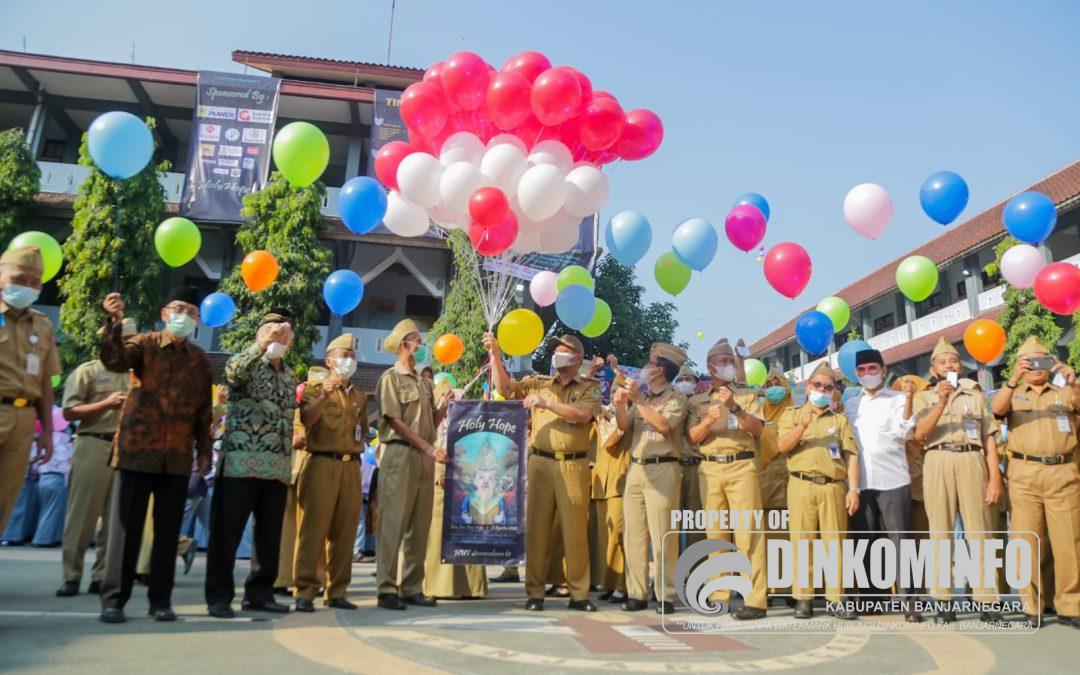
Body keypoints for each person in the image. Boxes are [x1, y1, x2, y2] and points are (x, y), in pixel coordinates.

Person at [97, 288, 213, 623]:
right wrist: (115, 324)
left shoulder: (199, 360)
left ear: (197, 321)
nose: (184, 316)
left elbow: (203, 411)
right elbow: (114, 359)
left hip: (176, 457)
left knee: (166, 532)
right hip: (136, 451)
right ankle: (114, 599)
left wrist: (204, 451)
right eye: (178, 309)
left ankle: (160, 600)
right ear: (164, 314)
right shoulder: (144, 345)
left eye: (191, 312)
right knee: (126, 529)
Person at [487, 332, 600, 613]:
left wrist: (548, 404)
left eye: (563, 350)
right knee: (536, 530)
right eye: (556, 350)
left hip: (573, 464)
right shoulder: (539, 382)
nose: (557, 354)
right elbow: (504, 387)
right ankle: (534, 593)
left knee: (574, 531)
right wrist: (495, 355)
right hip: (539, 462)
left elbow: (583, 415)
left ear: (577, 358)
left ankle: (579, 593)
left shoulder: (589, 387)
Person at [204, 310, 298, 618]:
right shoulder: (244, 363)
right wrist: (261, 345)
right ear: (259, 335)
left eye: (284, 334)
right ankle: (219, 596)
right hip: (240, 464)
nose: (278, 338)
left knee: (268, 537)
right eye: (271, 332)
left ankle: (260, 593)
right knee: (226, 533)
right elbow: (232, 374)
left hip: (276, 467)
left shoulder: (289, 374)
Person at [990, 336, 1080, 628]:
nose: (1037, 366)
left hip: (1063, 473)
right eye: (1030, 361)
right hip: (1024, 474)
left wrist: (1073, 381)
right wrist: (1014, 378)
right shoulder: (1013, 392)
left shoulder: (1065, 392)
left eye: (1043, 359)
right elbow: (997, 410)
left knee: (1069, 543)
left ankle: (1069, 604)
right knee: (1026, 541)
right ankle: (1032, 605)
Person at [913, 337, 1003, 624]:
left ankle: (987, 601)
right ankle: (943, 600)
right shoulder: (924, 397)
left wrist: (994, 479)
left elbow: (989, 438)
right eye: (942, 362)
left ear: (959, 365)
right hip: (937, 460)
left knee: (980, 531)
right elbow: (919, 434)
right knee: (940, 532)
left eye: (952, 360)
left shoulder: (975, 395)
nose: (948, 365)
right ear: (933, 369)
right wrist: (940, 401)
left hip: (971, 459)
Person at [686, 338, 767, 620]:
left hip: (741, 468)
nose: (729, 366)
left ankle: (756, 599)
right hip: (709, 469)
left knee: (749, 535)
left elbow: (757, 429)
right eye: (723, 362)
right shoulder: (698, 400)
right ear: (710, 367)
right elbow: (692, 438)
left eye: (731, 362)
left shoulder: (745, 395)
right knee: (716, 536)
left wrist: (734, 407)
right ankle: (719, 595)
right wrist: (707, 421)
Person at [56, 319, 134, 596]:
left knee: (115, 520)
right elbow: (69, 412)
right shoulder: (87, 371)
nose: (126, 344)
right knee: (82, 515)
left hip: (126, 450)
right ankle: (71, 575)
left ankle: (102, 575)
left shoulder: (138, 375)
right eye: (122, 339)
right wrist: (106, 403)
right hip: (93, 444)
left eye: (130, 339)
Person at [777, 361, 859, 620]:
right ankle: (804, 599)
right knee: (802, 543)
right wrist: (802, 426)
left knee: (834, 544)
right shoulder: (791, 415)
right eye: (817, 385)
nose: (822, 390)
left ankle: (836, 599)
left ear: (835, 391)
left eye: (828, 387)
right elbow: (782, 446)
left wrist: (854, 489)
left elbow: (851, 456)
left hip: (833, 487)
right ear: (807, 386)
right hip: (801, 485)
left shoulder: (840, 419)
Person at [843, 348, 921, 622]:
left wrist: (910, 399)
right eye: (862, 371)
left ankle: (909, 602)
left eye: (873, 369)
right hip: (861, 483)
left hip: (894, 479)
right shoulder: (852, 404)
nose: (868, 374)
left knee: (900, 542)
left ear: (883, 370)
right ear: (856, 374)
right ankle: (872, 600)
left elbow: (906, 431)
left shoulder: (898, 398)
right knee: (867, 543)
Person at [376, 319, 448, 610]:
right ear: (405, 343)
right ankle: (386, 587)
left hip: (424, 457)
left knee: (420, 524)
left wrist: (443, 408)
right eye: (417, 340)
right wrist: (429, 447)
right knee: (393, 521)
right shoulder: (390, 379)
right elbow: (394, 420)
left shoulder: (424, 381)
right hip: (400, 453)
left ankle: (411, 586)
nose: (421, 345)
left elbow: (431, 420)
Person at [294, 334, 367, 612]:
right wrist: (325, 394)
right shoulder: (314, 388)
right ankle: (305, 590)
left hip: (351, 465)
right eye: (343, 355)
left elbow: (362, 429)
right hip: (322, 461)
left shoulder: (359, 394)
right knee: (314, 528)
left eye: (352, 356)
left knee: (345, 530)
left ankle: (337, 590)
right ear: (329, 361)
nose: (349, 360)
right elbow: (307, 420)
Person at [614, 343, 689, 614]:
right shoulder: (641, 396)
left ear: (659, 370)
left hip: (664, 468)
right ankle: (637, 592)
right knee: (634, 534)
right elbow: (625, 427)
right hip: (636, 467)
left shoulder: (676, 397)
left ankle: (665, 595)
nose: (645, 367)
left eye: (650, 363)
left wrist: (640, 401)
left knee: (663, 535)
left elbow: (663, 425)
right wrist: (621, 406)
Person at [0, 246, 60, 536]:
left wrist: (47, 431)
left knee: (6, 499)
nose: (28, 287)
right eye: (20, 279)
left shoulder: (43, 325)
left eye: (35, 282)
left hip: (24, 420)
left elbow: (45, 383)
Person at [424, 386, 488, 599]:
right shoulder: (429, 426)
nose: (452, 402)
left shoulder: (469, 425)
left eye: (456, 399)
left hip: (464, 484)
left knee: (466, 532)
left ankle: (470, 587)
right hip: (434, 483)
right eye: (446, 398)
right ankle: (434, 586)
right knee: (435, 535)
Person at [758, 363, 793, 604]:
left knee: (792, 538)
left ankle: (792, 589)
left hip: (791, 483)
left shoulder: (797, 412)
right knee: (767, 539)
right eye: (768, 385)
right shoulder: (758, 415)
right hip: (765, 485)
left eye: (777, 384)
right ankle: (768, 588)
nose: (773, 389)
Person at [673, 366, 705, 553]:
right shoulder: (671, 403)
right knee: (671, 523)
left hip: (696, 466)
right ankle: (671, 573)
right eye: (680, 379)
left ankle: (697, 571)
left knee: (696, 522)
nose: (684, 382)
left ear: (697, 384)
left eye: (689, 379)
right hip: (673, 467)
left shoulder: (703, 403)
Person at [32, 424, 73, 547]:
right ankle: (43, 539)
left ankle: (49, 537)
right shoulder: (62, 440)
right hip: (56, 478)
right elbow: (65, 464)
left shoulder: (44, 438)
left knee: (46, 509)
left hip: (43, 477)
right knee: (53, 510)